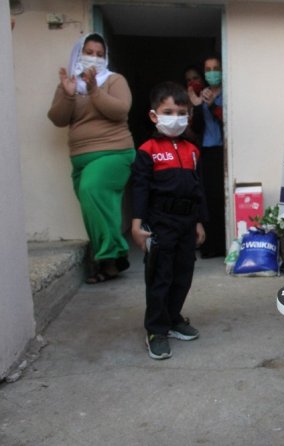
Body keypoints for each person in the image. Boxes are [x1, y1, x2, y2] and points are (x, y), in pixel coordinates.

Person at [47, 32, 135, 284]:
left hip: (114, 152)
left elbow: (120, 110)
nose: (94, 58)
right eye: (89, 52)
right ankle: (110, 261)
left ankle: (109, 256)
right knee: (93, 209)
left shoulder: (114, 80)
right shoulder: (70, 84)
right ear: (79, 53)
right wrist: (68, 94)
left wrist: (95, 90)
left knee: (90, 190)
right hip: (79, 158)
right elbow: (58, 119)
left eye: (100, 54)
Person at [131, 81, 207, 360]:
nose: (175, 118)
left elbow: (198, 189)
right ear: (154, 115)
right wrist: (137, 224)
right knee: (160, 276)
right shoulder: (147, 149)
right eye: (168, 111)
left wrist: (199, 221)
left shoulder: (193, 150)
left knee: (183, 275)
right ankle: (156, 329)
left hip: (187, 222)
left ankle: (174, 318)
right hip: (160, 221)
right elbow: (140, 189)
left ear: (188, 116)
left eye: (181, 112)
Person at [190, 55, 226, 259]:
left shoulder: (226, 94)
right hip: (206, 151)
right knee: (207, 198)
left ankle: (222, 244)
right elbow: (196, 129)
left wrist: (212, 105)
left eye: (216, 68)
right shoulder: (202, 94)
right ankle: (209, 245)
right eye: (208, 68)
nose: (212, 72)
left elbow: (226, 121)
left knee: (221, 197)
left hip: (222, 151)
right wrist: (196, 104)